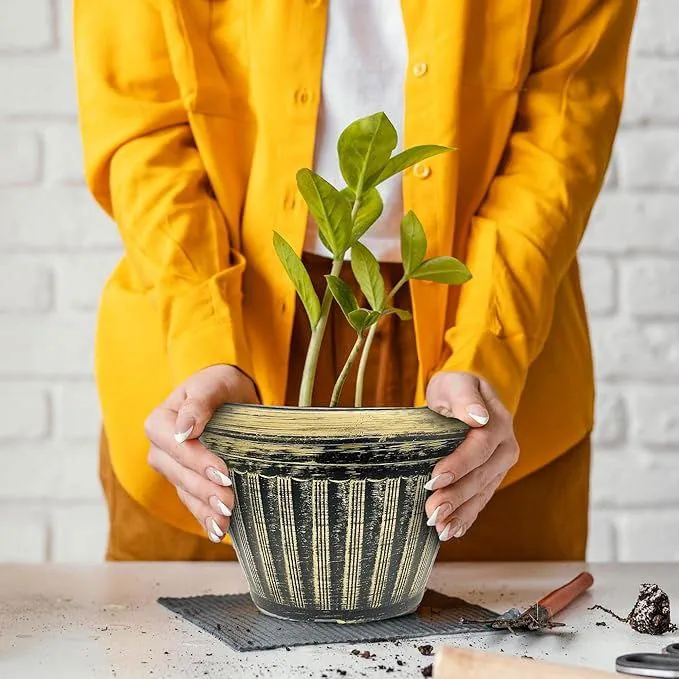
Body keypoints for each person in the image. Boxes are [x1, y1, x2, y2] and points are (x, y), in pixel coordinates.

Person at [74, 0, 637, 561]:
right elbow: (144, 129)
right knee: (180, 643)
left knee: (493, 635)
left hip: (487, 337)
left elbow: (562, 132)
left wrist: (486, 347)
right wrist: (205, 339)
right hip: (216, 330)